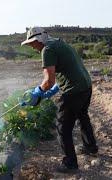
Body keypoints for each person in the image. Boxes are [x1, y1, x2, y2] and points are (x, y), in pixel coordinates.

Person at [21, 27, 98, 173]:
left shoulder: (47, 50)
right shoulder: (59, 43)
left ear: (39, 40)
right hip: (85, 86)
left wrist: (36, 92)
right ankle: (91, 148)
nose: (32, 47)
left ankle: (70, 164)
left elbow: (48, 80)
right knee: (82, 116)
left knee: (62, 126)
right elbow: (65, 71)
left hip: (73, 91)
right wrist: (50, 92)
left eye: (32, 43)